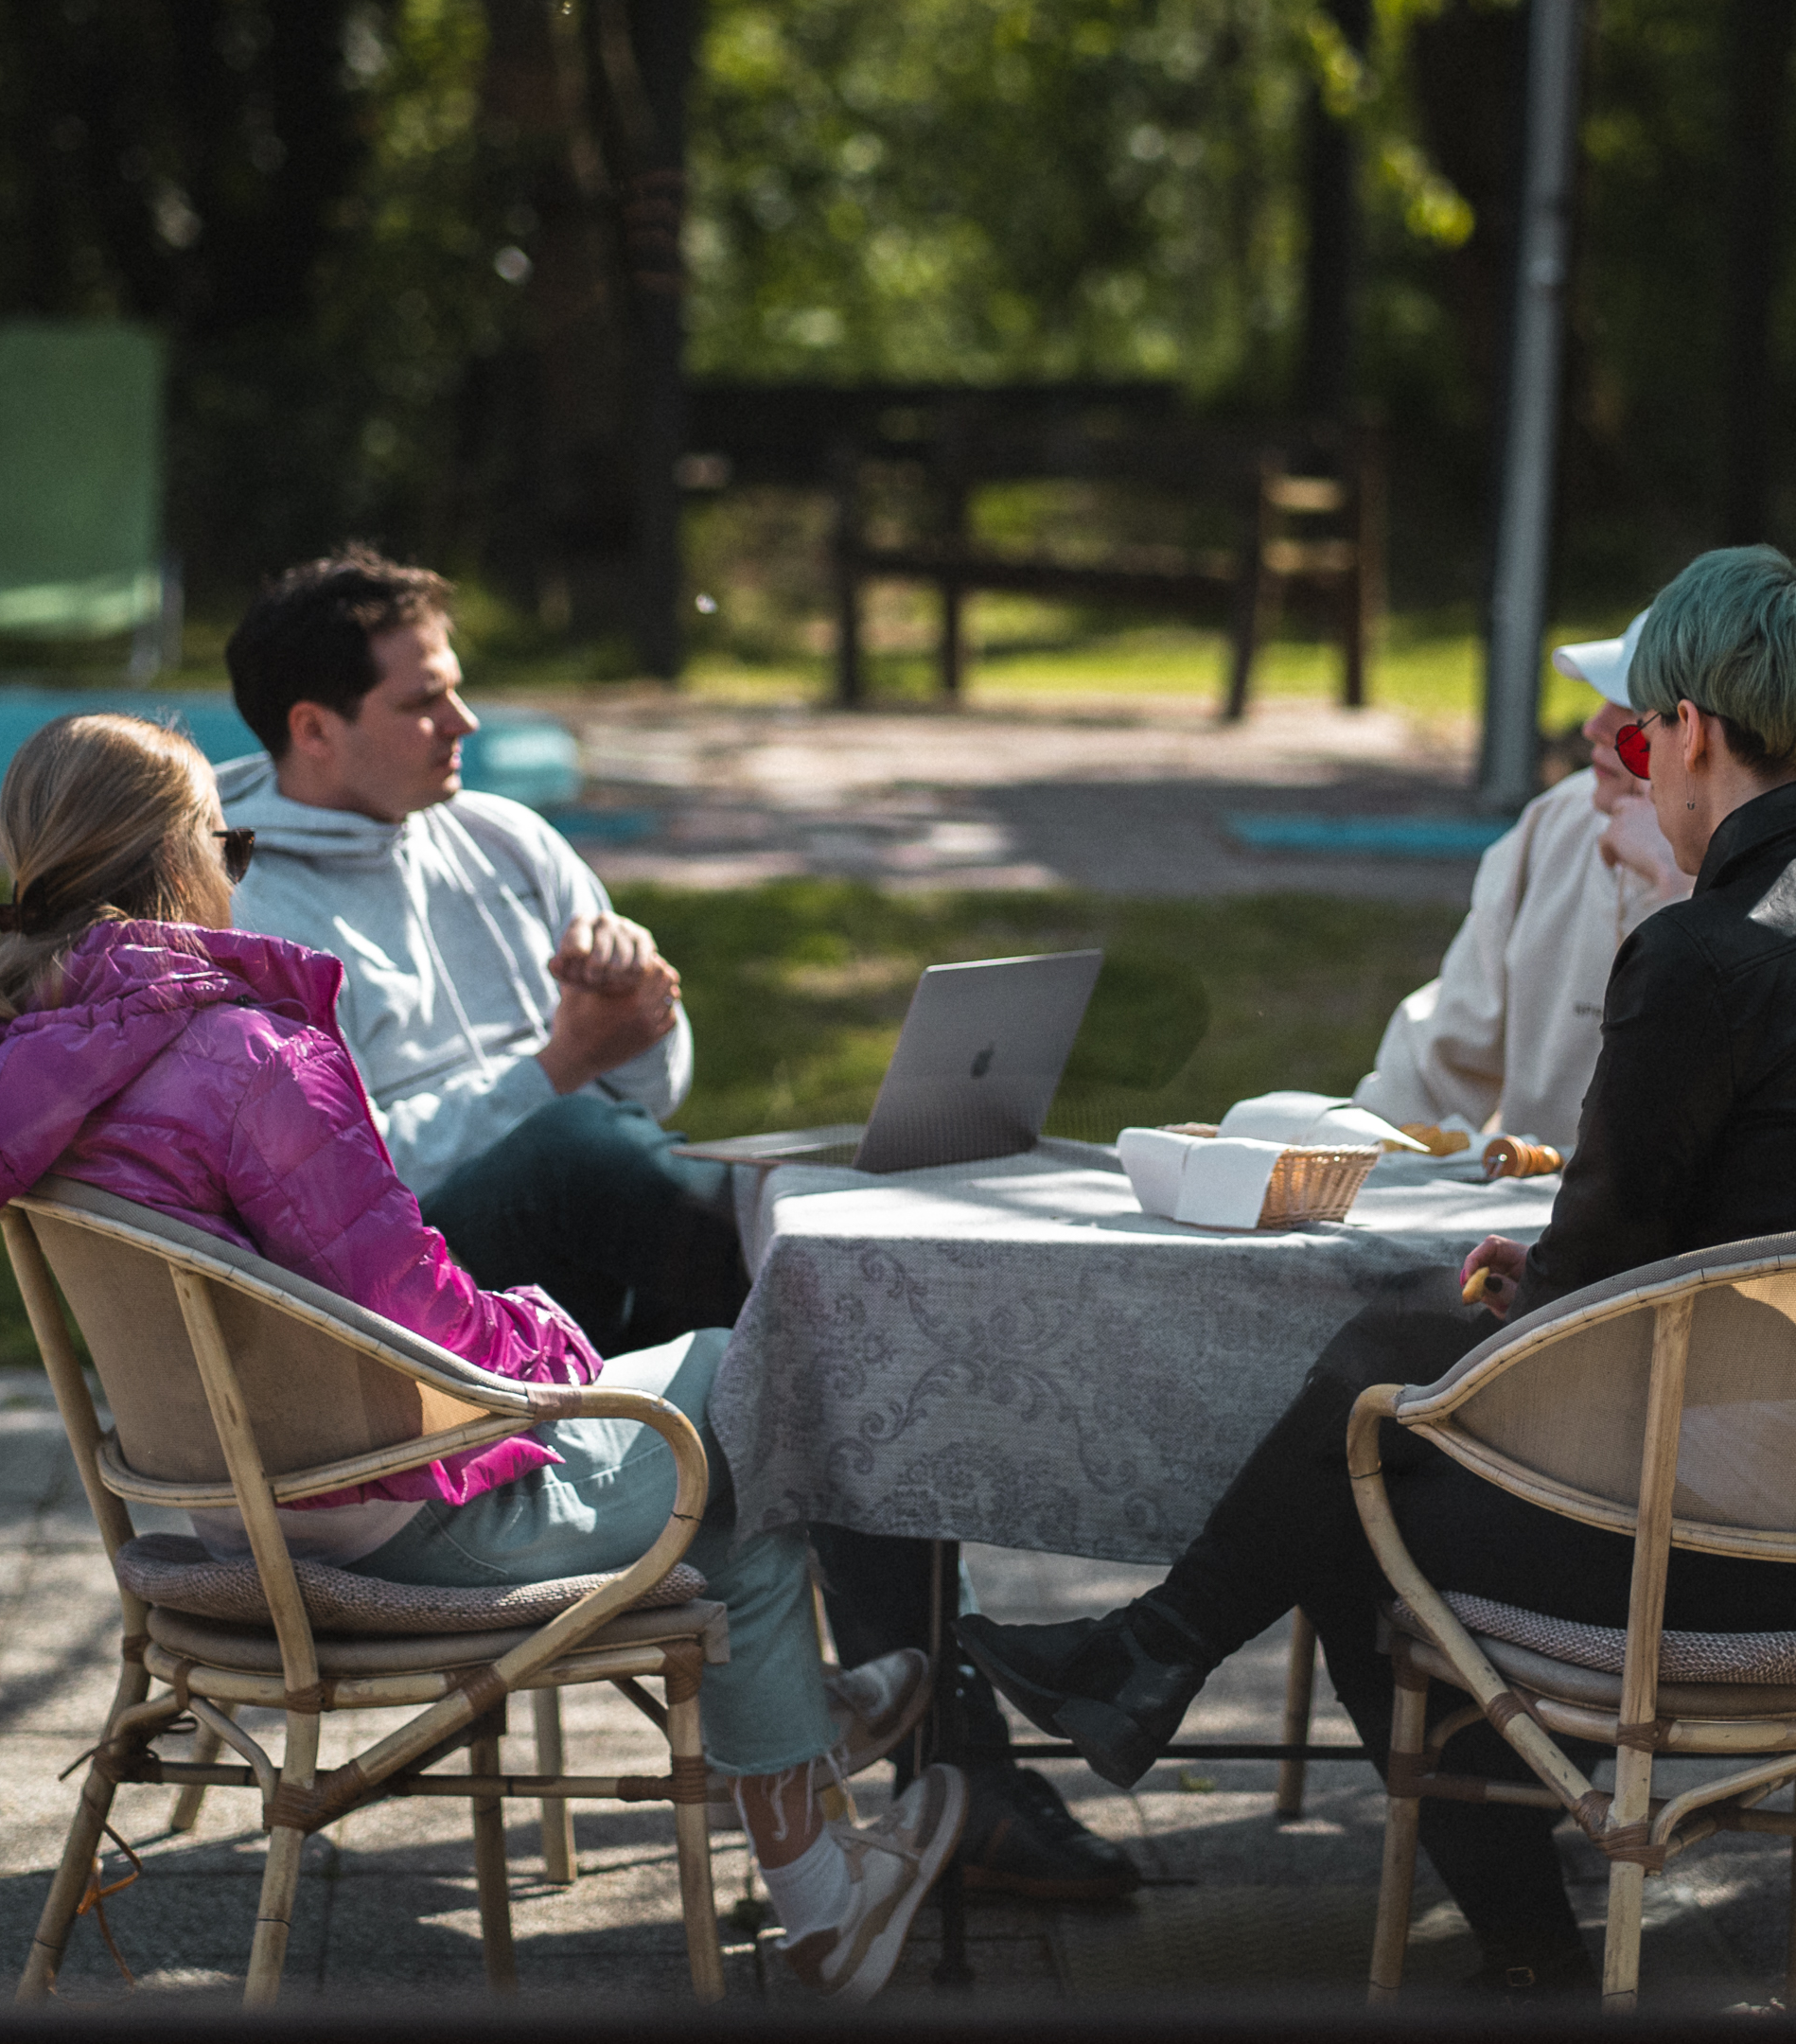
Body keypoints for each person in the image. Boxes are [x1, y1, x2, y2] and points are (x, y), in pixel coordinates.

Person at [960, 546, 1796, 1996]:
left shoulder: (1704, 954)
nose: (1638, 769)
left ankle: (1515, 1943)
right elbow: (1795, 1207)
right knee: (1391, 1362)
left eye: (1638, 742)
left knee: (1358, 1488)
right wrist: (1564, 1277)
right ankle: (1146, 1662)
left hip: (1748, 1562)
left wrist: (1551, 1283)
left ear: (1690, 732)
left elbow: (1586, 1306)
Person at [0, 712, 961, 2002]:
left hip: (227, 1514)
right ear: (184, 860)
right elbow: (407, 1307)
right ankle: (818, 1841)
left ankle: (823, 1850)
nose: (235, 869)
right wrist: (554, 1354)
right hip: (398, 1523)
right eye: (228, 845)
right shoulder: (244, 1056)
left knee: (725, 1484)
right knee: (754, 1381)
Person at [211, 550, 1136, 1902]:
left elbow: (653, 1091)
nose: (464, 722)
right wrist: (558, 1068)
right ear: (313, 727)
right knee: (605, 1163)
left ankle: (970, 1775)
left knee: (826, 1328)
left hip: (578, 1275)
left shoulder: (503, 840)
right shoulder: (251, 903)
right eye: (424, 702)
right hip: (401, 1319)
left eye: (456, 690)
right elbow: (328, 1184)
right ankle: (941, 1759)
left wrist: (638, 1021)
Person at [1354, 633, 1796, 1155]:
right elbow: (1440, 1056)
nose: (1595, 726)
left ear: (1703, 741)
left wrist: (1682, 887)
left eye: (1635, 711)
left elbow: (1774, 1139)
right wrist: (1363, 1150)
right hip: (1542, 1202)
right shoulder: (1560, 821)